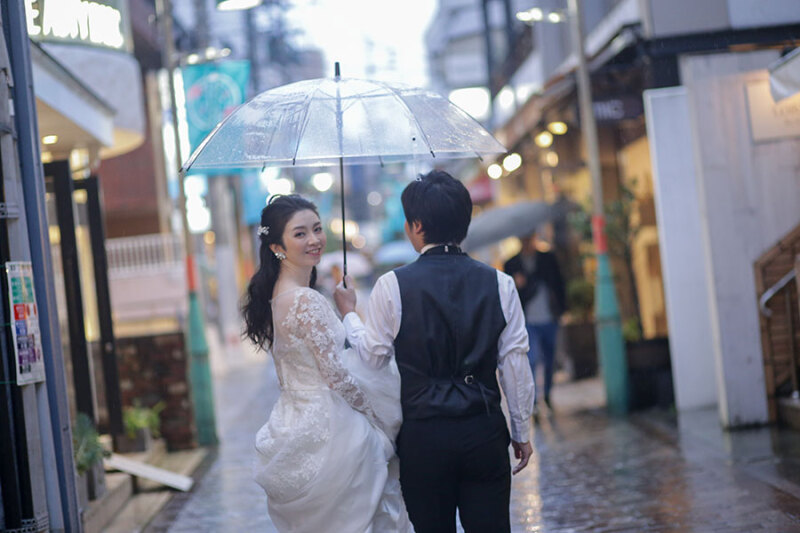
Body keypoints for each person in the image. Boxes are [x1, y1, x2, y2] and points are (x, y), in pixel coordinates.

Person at [334, 170, 535, 533]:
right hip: (484, 430)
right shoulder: (500, 283)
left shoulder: (391, 285)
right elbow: (515, 364)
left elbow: (374, 357)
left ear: (416, 226)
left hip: (423, 435)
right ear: (465, 221)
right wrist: (521, 430)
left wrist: (350, 315)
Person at [242, 194, 413, 533]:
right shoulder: (306, 300)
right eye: (300, 233)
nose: (315, 240)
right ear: (278, 246)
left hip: (294, 419)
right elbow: (337, 377)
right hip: (333, 427)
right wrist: (378, 420)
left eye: (317, 229)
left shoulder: (279, 294)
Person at [503, 231, 566, 411]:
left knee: (549, 358)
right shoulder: (512, 264)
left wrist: (561, 309)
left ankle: (546, 393)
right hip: (527, 320)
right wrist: (519, 284)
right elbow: (509, 295)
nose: (527, 241)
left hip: (549, 316)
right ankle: (535, 402)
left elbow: (558, 283)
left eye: (529, 237)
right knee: (532, 359)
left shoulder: (548, 258)